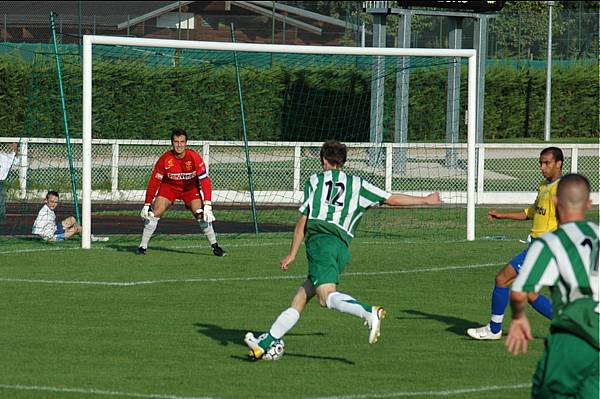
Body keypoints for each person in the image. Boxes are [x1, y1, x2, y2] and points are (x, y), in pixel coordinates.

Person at [244, 140, 441, 360]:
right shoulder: (358, 183)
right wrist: (425, 199)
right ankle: (267, 342)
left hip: (321, 242)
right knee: (302, 295)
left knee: (325, 297)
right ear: (344, 161)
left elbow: (303, 221)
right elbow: (392, 199)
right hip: (341, 247)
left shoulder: (315, 181)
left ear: (323, 160)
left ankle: (368, 311)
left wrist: (291, 254)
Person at [506, 173, 598, 399]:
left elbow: (519, 292)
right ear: (589, 203)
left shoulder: (551, 241)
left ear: (555, 202)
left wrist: (518, 318)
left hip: (575, 336)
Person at [467, 147, 563, 340]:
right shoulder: (544, 186)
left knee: (503, 279)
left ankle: (494, 329)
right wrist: (502, 215)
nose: (542, 167)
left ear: (559, 164)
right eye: (540, 163)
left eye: (547, 163)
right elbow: (531, 213)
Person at [137, 128, 226, 256]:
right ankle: (142, 247)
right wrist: (147, 204)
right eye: (176, 141)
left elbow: (205, 181)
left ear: (186, 143)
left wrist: (208, 204)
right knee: (155, 213)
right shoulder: (165, 159)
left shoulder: (194, 157)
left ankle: (215, 247)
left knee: (201, 214)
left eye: (182, 141)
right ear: (172, 143)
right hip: (169, 188)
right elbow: (154, 182)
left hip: (190, 190)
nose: (179, 145)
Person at [0, 142, 17, 225]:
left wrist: (14, 148)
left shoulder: (5, 156)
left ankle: (2, 219)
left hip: (1, 182)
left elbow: (16, 160)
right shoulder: (6, 156)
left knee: (1, 202)